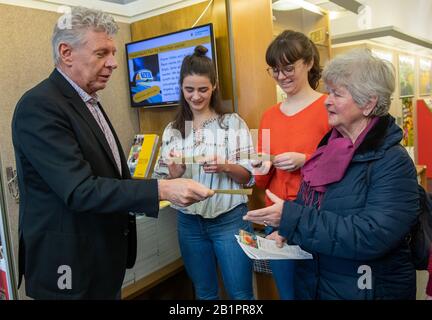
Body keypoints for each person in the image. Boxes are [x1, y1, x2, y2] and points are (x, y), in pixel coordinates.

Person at [11, 7, 213, 300]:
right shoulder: (40, 107)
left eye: (114, 53)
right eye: (101, 53)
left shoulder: (87, 101)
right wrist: (163, 188)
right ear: (66, 53)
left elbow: (108, 174)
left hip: (101, 262)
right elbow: (80, 189)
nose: (114, 64)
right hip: (67, 270)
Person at [244, 48, 421, 300]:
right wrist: (287, 227)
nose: (327, 101)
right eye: (329, 92)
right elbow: (314, 207)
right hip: (319, 282)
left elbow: (371, 234)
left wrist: (293, 219)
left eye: (337, 94)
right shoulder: (329, 148)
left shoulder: (392, 162)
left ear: (368, 103)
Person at [153, 45, 255, 300]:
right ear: (181, 88)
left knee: (241, 294)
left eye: (203, 89)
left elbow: (248, 177)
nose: (196, 96)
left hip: (231, 219)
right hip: (189, 223)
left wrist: (225, 166)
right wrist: (174, 174)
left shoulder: (231, 123)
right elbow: (163, 184)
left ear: (214, 86)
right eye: (189, 90)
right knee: (204, 292)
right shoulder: (171, 130)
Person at [252, 30, 330, 299]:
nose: (281, 76)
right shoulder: (269, 116)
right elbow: (261, 180)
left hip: (319, 219)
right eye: (274, 70)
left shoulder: (329, 108)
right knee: (288, 295)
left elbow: (345, 166)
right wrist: (259, 166)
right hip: (278, 219)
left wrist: (305, 161)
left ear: (308, 63)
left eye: (288, 68)